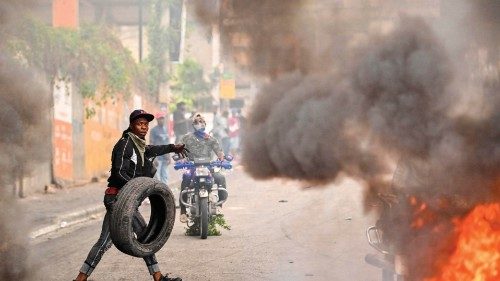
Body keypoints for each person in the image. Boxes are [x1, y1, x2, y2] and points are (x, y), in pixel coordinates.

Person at [74, 109, 188, 281]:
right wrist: (135, 189)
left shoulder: (140, 146)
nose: (144, 127)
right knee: (124, 239)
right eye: (140, 124)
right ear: (132, 126)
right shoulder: (125, 144)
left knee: (142, 238)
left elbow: (154, 149)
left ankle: (157, 276)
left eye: (146, 124)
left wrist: (173, 147)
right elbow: (118, 173)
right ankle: (80, 279)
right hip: (117, 199)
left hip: (127, 201)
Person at [178, 113, 226, 223]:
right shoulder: (186, 138)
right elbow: (179, 150)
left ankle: (219, 206)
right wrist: (181, 158)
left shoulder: (211, 139)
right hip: (191, 167)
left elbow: (219, 152)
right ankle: (183, 211)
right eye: (196, 123)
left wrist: (222, 159)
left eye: (201, 122)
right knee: (185, 179)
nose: (199, 124)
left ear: (205, 124)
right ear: (193, 125)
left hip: (208, 167)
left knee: (220, 178)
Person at [150, 112, 170, 184]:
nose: (162, 120)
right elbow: (151, 144)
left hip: (165, 157)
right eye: (160, 119)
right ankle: (159, 194)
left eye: (163, 118)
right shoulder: (153, 130)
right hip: (158, 157)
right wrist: (154, 158)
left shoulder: (166, 129)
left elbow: (168, 143)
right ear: (157, 120)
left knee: (165, 176)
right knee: (157, 178)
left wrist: (169, 156)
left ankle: (165, 193)